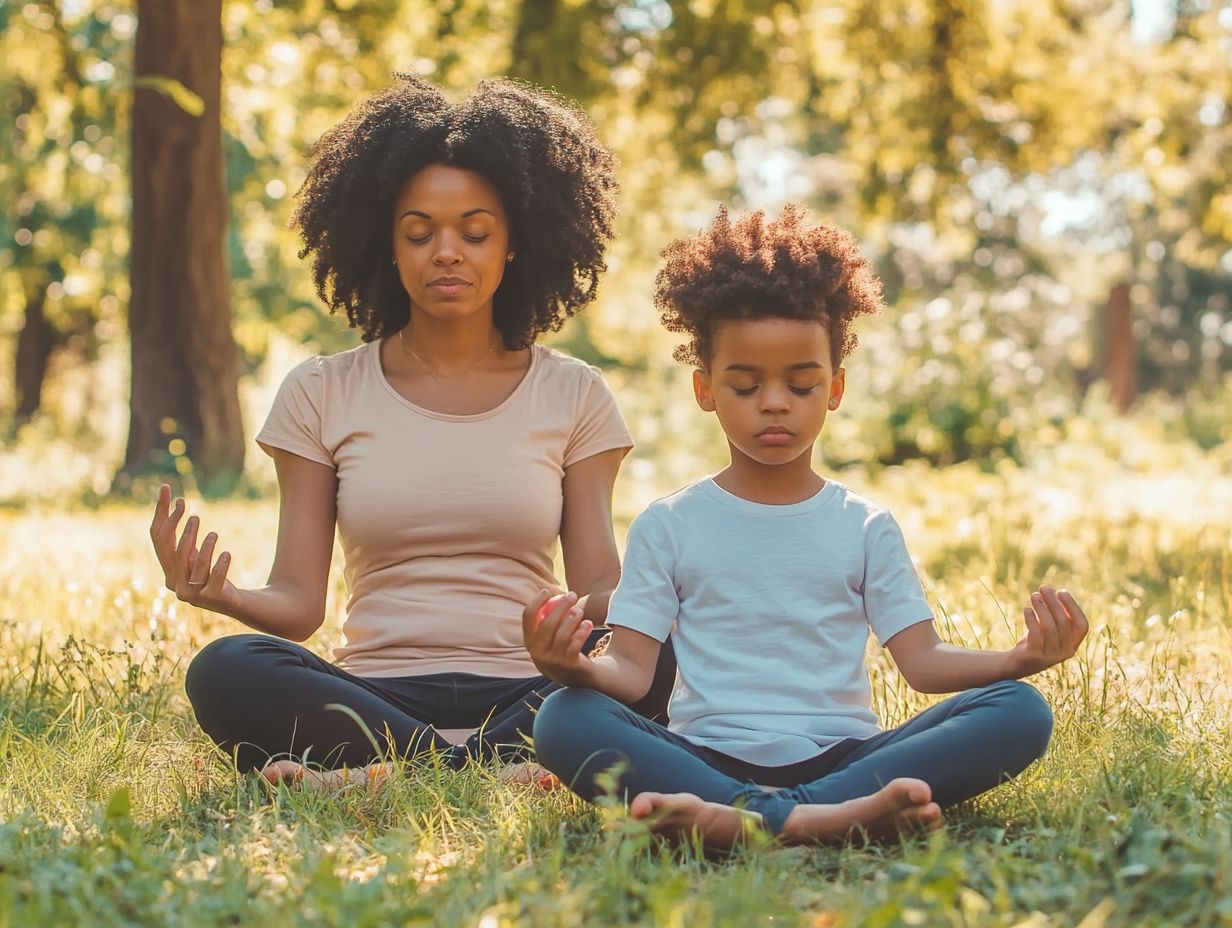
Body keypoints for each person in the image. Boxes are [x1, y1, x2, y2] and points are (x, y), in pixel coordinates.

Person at [149, 76, 673, 787]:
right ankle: (486, 768)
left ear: (515, 243)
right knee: (227, 668)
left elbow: (597, 588)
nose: (446, 252)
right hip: (376, 694)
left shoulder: (573, 392)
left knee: (669, 655)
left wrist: (666, 590)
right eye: (419, 233)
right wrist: (225, 596)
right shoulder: (321, 392)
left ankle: (388, 771)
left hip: (532, 687)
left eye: (475, 232)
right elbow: (300, 605)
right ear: (386, 246)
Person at [523, 205, 1089, 849]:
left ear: (835, 388)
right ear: (705, 389)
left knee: (1018, 709)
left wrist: (1020, 659)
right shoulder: (669, 524)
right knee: (565, 717)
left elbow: (923, 664)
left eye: (800, 384)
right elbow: (627, 671)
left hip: (846, 757)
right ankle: (823, 819)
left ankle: (749, 819)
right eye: (745, 386)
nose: (773, 403)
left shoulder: (865, 525)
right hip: (704, 758)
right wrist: (571, 668)